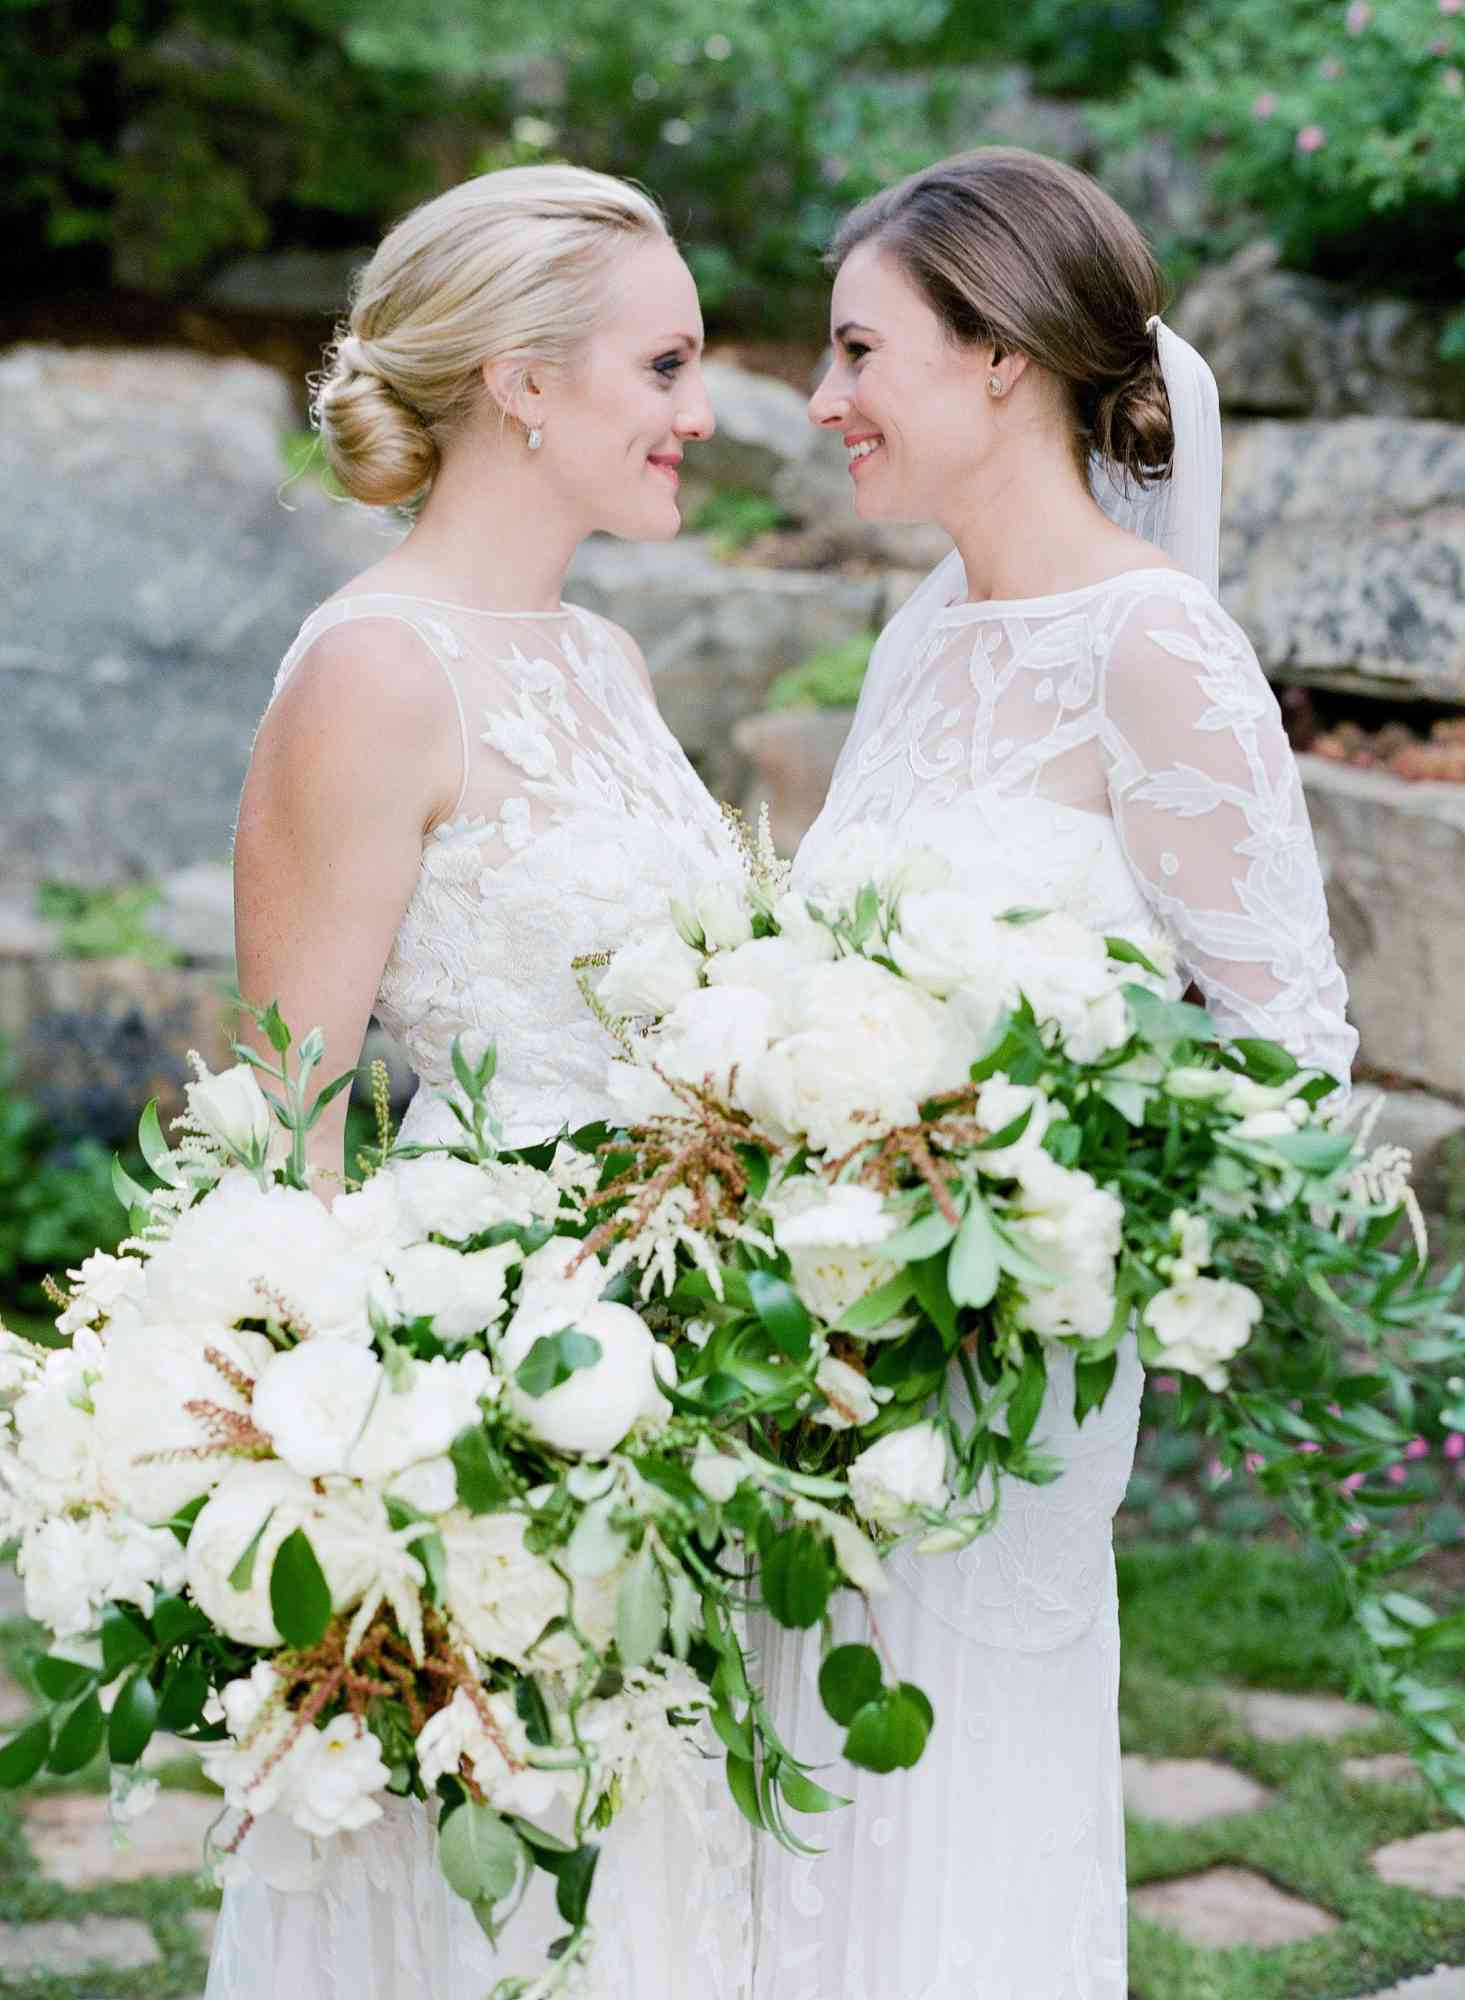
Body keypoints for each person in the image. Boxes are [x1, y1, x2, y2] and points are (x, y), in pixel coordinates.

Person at [750, 147, 1358, 1999]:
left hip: (1003, 1363)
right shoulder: (923, 636)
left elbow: (1288, 1067)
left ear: (1000, 356)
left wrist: (1026, 1213)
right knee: (807, 1796)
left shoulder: (1154, 644)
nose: (821, 397)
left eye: (860, 350)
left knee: (952, 1803)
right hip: (806, 1347)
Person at [218, 163, 753, 2000]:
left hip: (689, 1382)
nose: (702, 412)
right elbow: (280, 1119)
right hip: (488, 1411)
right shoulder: (374, 672)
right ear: (523, 380)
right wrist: (359, 1488)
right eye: (665, 365)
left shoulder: (598, 658)